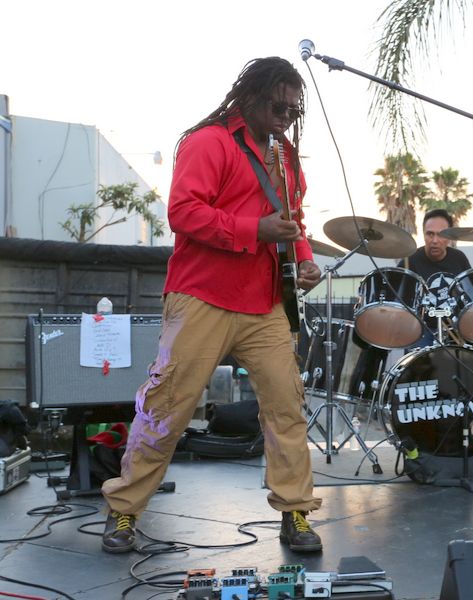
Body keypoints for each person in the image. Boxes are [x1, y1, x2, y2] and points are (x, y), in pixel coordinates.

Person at [101, 57, 324, 553]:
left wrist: (304, 260)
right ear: (252, 96)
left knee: (286, 407)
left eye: (294, 109)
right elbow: (183, 212)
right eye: (279, 106)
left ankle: (295, 511)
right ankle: (124, 510)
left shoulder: (286, 156)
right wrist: (254, 230)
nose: (287, 115)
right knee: (167, 406)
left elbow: (294, 222)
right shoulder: (209, 141)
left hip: (264, 301)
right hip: (202, 295)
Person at [400, 208, 471, 345]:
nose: (435, 240)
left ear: (449, 237)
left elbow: (469, 294)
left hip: (455, 328)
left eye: (441, 235)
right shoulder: (410, 261)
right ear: (423, 234)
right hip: (421, 329)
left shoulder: (459, 258)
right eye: (430, 234)